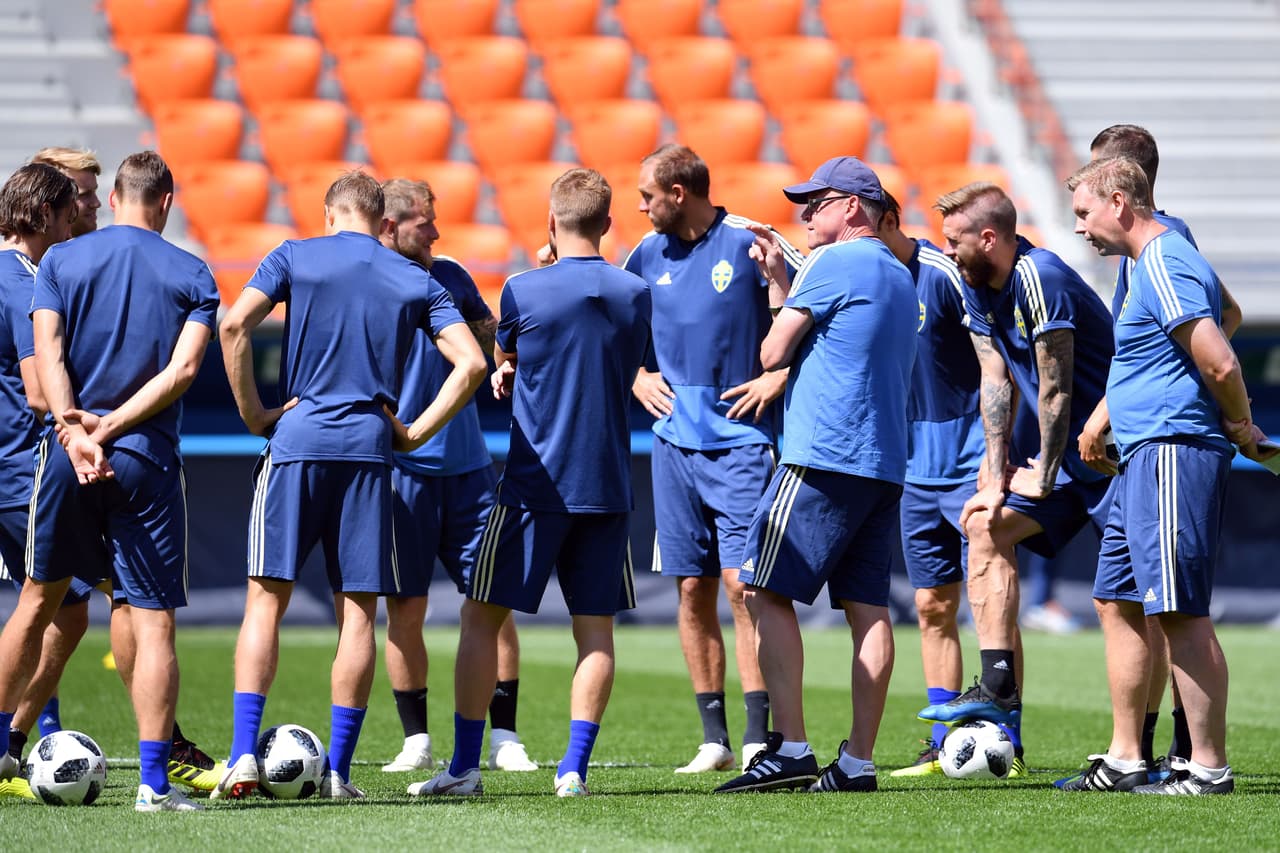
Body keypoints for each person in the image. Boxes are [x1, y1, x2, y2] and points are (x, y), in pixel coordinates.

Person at [215, 171, 486, 800]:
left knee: (265, 602)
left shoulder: (293, 255)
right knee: (359, 613)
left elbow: (234, 327)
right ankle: (337, 772)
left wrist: (256, 414)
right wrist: (415, 431)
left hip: (297, 441)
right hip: (370, 448)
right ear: (379, 218)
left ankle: (241, 759)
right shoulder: (415, 278)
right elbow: (472, 362)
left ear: (330, 212)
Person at [408, 167, 650, 799]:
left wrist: (510, 369)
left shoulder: (522, 288)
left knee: (479, 617)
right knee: (594, 631)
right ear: (607, 223)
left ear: (550, 222)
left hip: (533, 484)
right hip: (606, 485)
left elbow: (510, 354)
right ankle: (573, 770)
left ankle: (463, 767)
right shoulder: (634, 292)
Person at [0, 151, 220, 812]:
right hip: (145, 455)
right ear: (168, 202)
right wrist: (114, 424)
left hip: (65, 456)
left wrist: (75, 433)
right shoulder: (194, 271)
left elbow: (51, 356)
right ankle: (155, 782)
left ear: (115, 196)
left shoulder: (61, 262)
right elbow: (183, 373)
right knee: (147, 619)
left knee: (37, 602)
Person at [1061, 157, 1269, 794]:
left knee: (1179, 610)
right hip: (1143, 453)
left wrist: (1241, 425)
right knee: (1115, 598)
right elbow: (1224, 314)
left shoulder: (1163, 259)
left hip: (1174, 450)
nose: (1080, 228)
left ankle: (1206, 767)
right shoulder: (1147, 264)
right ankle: (1127, 759)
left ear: (1120, 202)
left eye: (1084, 213)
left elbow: (1222, 362)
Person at [714, 157, 916, 794]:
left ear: (852, 207)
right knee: (868, 610)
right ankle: (857, 762)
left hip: (823, 453)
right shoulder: (898, 271)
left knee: (761, 591)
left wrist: (782, 287)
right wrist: (783, 279)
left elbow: (774, 351)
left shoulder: (834, 263)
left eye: (818, 203)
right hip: (882, 463)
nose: (805, 214)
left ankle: (792, 748)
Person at [624, 145, 802, 773]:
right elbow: (610, 327)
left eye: (647, 195)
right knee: (691, 585)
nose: (639, 207)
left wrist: (780, 380)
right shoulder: (644, 255)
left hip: (743, 443)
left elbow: (817, 314)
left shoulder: (752, 243)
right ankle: (714, 739)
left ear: (678, 193)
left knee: (743, 585)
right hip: (673, 447)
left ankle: (759, 732)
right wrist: (636, 374)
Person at [916, 183, 1115, 747]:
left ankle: (1168, 748)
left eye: (955, 240)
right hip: (1069, 459)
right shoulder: (979, 286)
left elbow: (1055, 389)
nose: (948, 251)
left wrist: (1045, 474)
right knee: (984, 523)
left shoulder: (1039, 276)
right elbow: (995, 378)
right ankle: (999, 686)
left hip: (1117, 456)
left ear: (988, 237)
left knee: (1133, 605)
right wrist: (995, 474)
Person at [376, 177, 535, 774]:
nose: (437, 232)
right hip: (399, 474)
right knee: (404, 610)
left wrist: (508, 347)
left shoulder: (455, 277)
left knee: (493, 604)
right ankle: (416, 738)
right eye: (425, 222)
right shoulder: (371, 281)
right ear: (390, 226)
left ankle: (506, 735)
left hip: (468, 473)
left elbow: (495, 338)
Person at [870, 191, 1013, 778]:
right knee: (931, 605)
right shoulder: (866, 281)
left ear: (885, 221)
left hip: (967, 462)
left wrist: (995, 456)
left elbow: (994, 362)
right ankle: (941, 742)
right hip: (912, 471)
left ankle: (1008, 733)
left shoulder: (942, 274)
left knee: (989, 605)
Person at [0, 163, 88, 802]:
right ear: (45, 216)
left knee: (69, 610)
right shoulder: (24, 283)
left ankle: (12, 738)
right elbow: (37, 391)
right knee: (43, 607)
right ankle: (4, 741)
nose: (73, 224)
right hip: (22, 469)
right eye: (68, 213)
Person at [30, 147, 101, 238]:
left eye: (94, 191)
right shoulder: (31, 251)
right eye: (84, 195)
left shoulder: (101, 249)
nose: (96, 203)